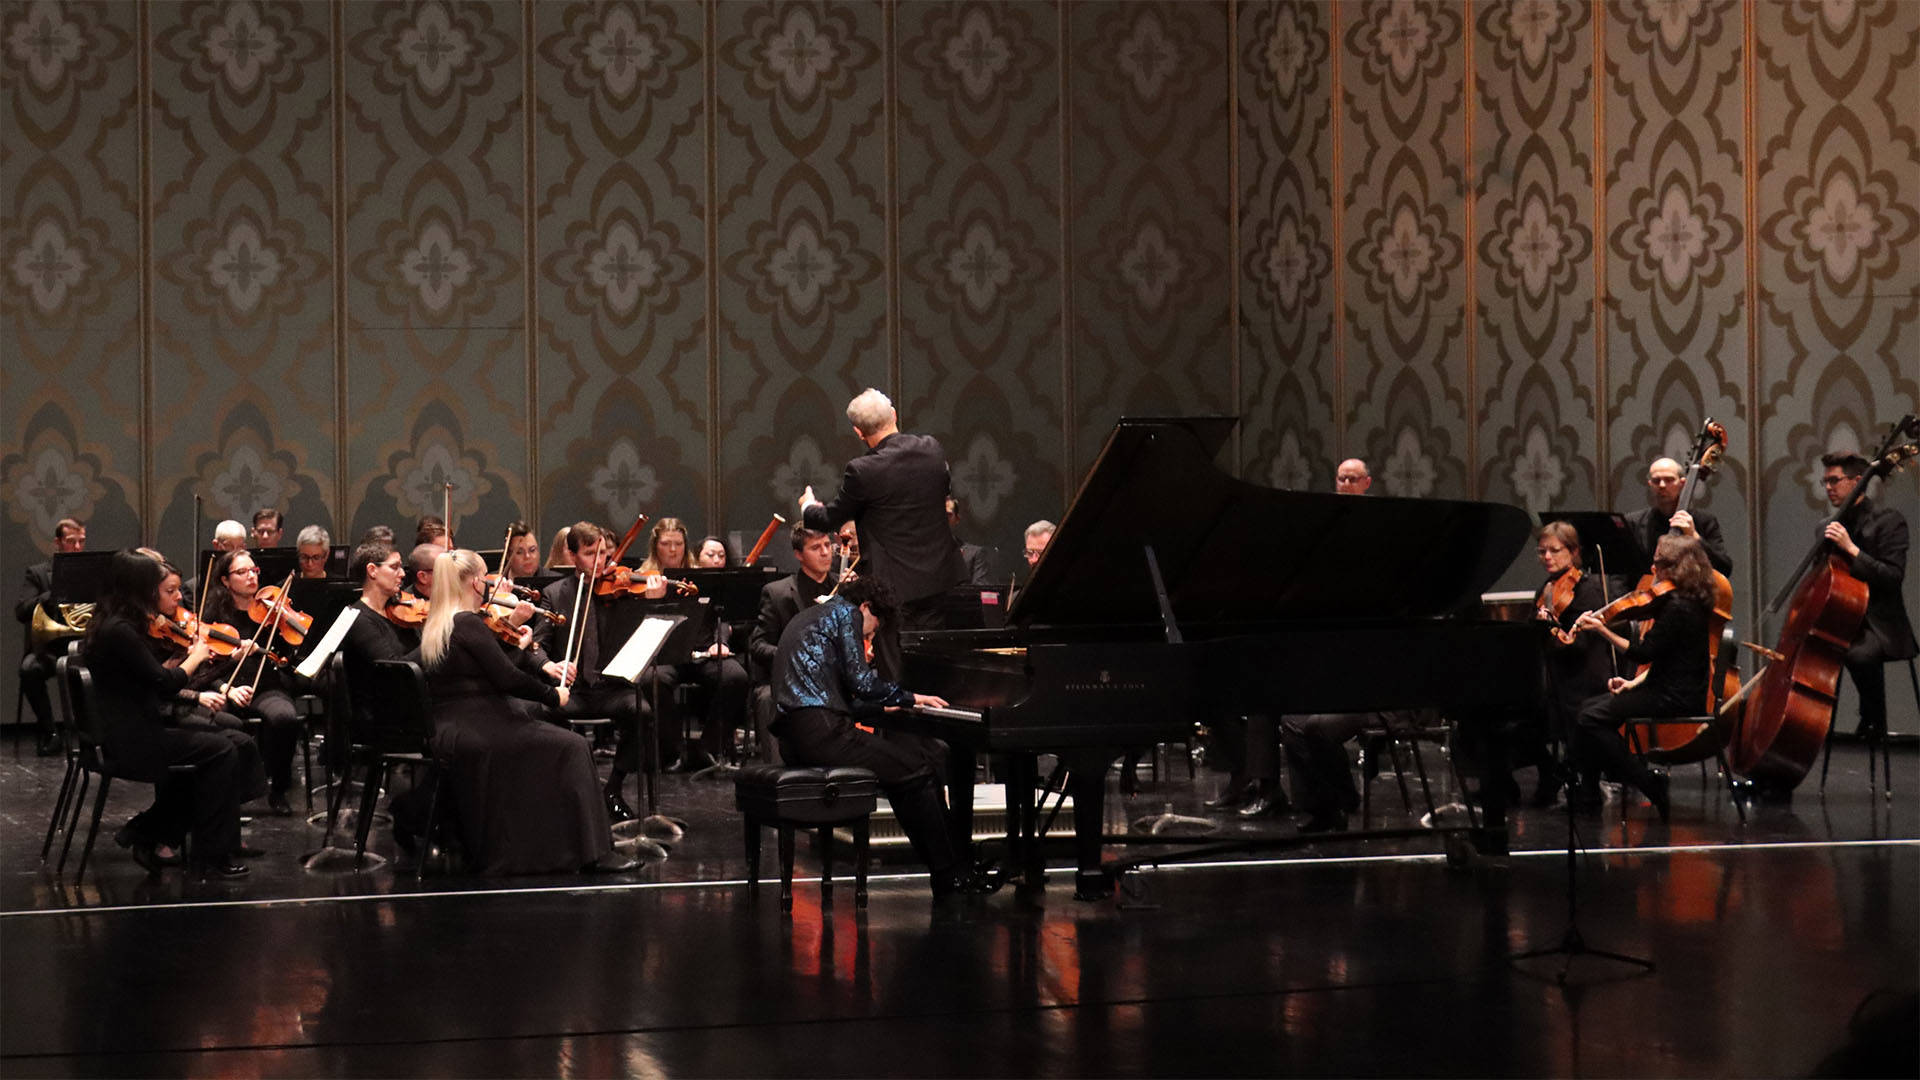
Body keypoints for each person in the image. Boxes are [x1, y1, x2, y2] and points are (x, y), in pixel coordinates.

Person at [771, 573, 991, 900]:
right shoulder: (846, 613)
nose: (870, 638)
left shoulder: (812, 616)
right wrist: (909, 697)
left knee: (908, 771)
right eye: (873, 628)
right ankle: (950, 874)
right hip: (824, 734)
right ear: (866, 607)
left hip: (799, 736)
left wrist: (882, 710)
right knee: (917, 770)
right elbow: (861, 682)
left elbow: (832, 697)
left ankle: (950, 868)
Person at [417, 549, 631, 874]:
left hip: (453, 725)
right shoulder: (468, 622)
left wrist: (514, 646)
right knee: (573, 746)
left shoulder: (440, 623)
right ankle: (594, 852)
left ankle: (557, 843)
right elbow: (507, 678)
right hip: (479, 727)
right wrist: (552, 695)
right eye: (488, 578)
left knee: (552, 739)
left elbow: (485, 669)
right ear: (476, 583)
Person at [81, 550, 252, 878]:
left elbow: (147, 677)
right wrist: (196, 656)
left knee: (226, 743)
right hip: (132, 740)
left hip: (127, 730)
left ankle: (147, 832)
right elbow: (163, 683)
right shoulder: (121, 631)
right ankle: (211, 856)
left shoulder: (111, 624)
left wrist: (177, 660)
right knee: (222, 751)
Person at [798, 387, 968, 680]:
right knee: (935, 671)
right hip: (940, 579)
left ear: (858, 432)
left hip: (893, 589)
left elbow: (829, 518)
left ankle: (899, 725)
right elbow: (942, 490)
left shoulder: (863, 470)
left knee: (897, 674)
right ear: (894, 415)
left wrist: (807, 506)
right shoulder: (932, 449)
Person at [1563, 533, 1718, 820]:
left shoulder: (1678, 608)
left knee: (1589, 718)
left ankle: (1648, 783)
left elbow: (1642, 653)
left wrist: (1602, 629)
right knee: (1588, 710)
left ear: (1676, 567)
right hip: (1669, 687)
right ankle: (1589, 790)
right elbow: (1668, 660)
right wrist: (1633, 682)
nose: (1653, 569)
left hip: (1675, 697)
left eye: (1658, 563)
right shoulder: (1685, 601)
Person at [531, 523, 651, 822]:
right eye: (590, 554)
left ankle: (614, 786)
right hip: (573, 691)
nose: (600, 562)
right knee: (541, 711)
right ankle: (566, 790)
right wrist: (551, 665)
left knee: (642, 712)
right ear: (572, 556)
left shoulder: (620, 591)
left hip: (612, 688)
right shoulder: (554, 594)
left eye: (604, 554)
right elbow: (536, 645)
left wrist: (652, 598)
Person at [636, 518, 748, 770]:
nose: (673, 550)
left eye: (678, 544)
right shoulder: (642, 578)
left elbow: (720, 616)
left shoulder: (701, 577)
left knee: (735, 676)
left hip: (701, 652)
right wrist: (649, 600)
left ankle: (708, 747)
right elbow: (634, 624)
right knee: (651, 681)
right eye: (666, 544)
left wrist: (719, 642)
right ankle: (673, 751)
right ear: (656, 546)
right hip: (664, 656)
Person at [1819, 451, 1917, 736]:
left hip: (1880, 623)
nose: (1828, 487)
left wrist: (1852, 549)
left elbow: (1892, 577)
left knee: (1858, 655)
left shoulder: (1888, 521)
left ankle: (1874, 716)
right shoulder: (1827, 527)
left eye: (1835, 481)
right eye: (1825, 481)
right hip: (1842, 618)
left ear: (1857, 481)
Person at [200, 549, 304, 815]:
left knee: (285, 718)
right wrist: (227, 688)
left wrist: (285, 625)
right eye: (242, 572)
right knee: (212, 721)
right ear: (225, 580)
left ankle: (278, 789)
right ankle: (225, 795)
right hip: (226, 685)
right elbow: (202, 665)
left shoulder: (272, 612)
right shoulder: (214, 613)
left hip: (265, 686)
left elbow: (286, 655)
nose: (251, 577)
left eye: (254, 571)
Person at [1526, 521, 1612, 806]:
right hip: (1559, 673)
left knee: (1565, 710)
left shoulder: (1588, 589)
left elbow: (1580, 644)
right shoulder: (1547, 587)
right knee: (1525, 715)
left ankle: (1584, 785)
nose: (1547, 557)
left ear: (1574, 551)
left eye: (1554, 550)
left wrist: (1549, 628)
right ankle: (1549, 773)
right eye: (1541, 552)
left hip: (1584, 675)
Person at [747, 524, 837, 763]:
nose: (825, 552)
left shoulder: (845, 589)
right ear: (798, 554)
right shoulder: (777, 593)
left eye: (828, 545)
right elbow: (758, 645)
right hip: (786, 682)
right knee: (767, 699)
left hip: (833, 680)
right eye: (816, 547)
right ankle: (782, 783)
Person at [16, 516, 86, 755]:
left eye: (81, 542)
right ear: (57, 542)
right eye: (71, 541)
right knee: (28, 670)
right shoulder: (37, 573)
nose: (77, 547)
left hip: (82, 646)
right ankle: (50, 732)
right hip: (48, 649)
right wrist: (49, 595)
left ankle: (94, 734)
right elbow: (22, 611)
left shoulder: (91, 573)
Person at [1623, 457, 1733, 577]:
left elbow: (1724, 568)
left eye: (1669, 480)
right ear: (1650, 485)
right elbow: (1620, 572)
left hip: (1690, 594)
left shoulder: (1705, 521)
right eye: (1656, 480)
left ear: (1682, 484)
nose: (1662, 485)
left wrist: (1694, 536)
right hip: (1645, 594)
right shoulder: (1633, 522)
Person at [946, 496, 995, 586]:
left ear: (957, 519)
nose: (943, 519)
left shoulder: (974, 554)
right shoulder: (920, 552)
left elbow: (979, 593)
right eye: (938, 514)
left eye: (948, 515)